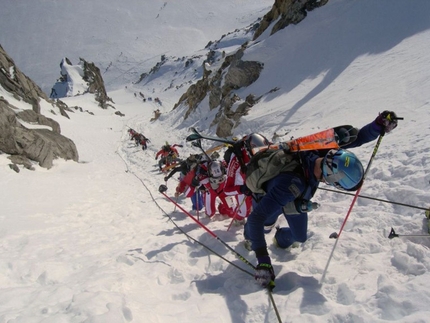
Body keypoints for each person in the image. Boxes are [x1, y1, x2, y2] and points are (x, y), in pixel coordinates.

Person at [243, 111, 399, 289]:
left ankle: (281, 238)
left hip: (295, 201)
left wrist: (378, 126)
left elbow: (358, 138)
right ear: (331, 180)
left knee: (300, 237)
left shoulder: (321, 151)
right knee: (262, 226)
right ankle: (248, 237)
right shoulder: (291, 184)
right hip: (271, 197)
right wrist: (263, 261)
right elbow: (257, 217)